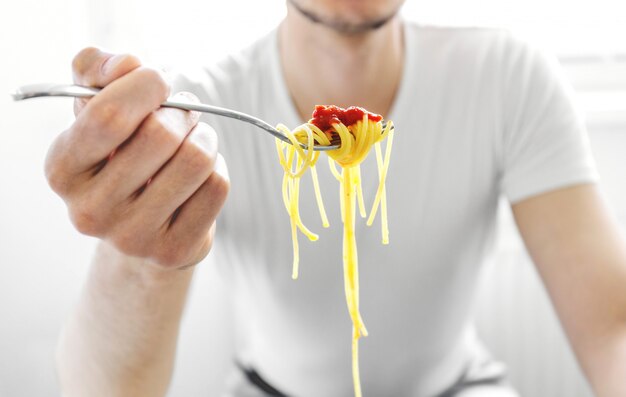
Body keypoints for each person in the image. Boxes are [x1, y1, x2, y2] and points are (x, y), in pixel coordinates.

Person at [49, 0, 626, 396]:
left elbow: (612, 329)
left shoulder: (509, 75)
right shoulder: (199, 110)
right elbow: (102, 389)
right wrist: (143, 256)